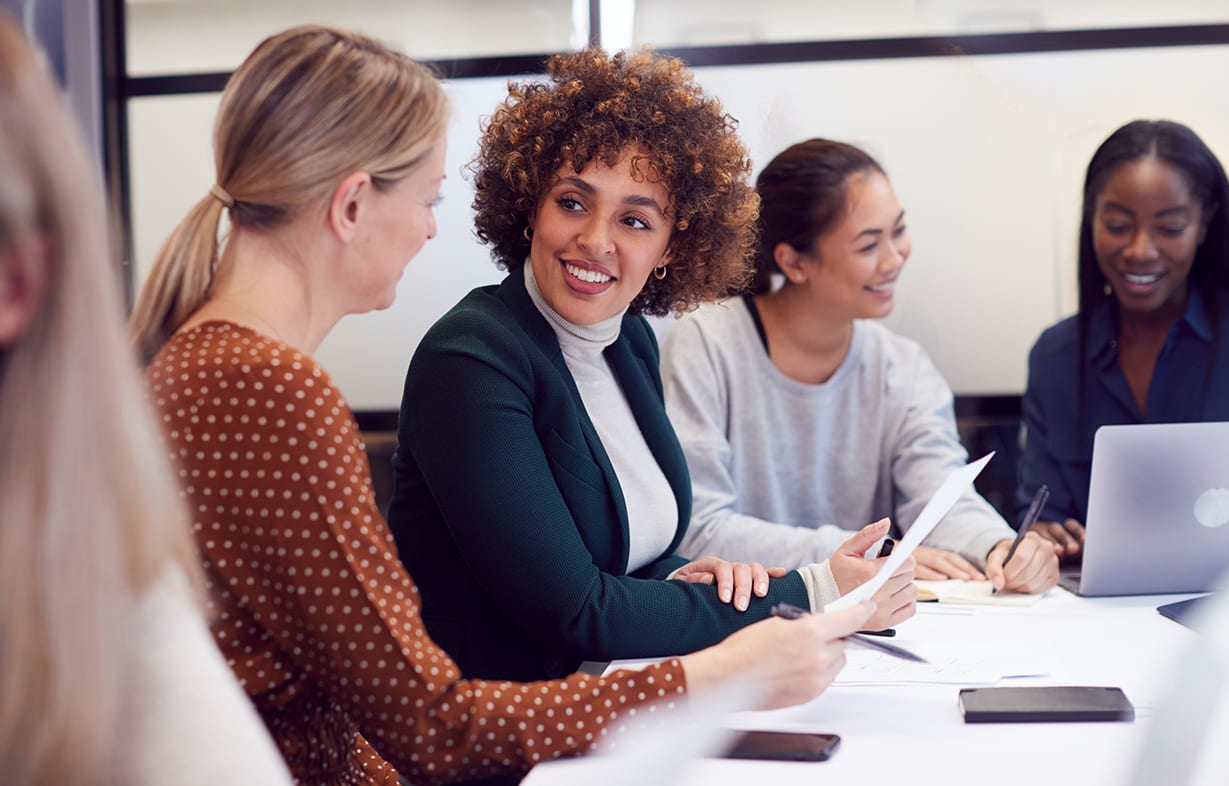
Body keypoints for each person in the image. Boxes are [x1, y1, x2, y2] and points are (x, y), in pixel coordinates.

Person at [129, 27, 872, 786]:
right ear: (353, 204)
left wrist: (687, 597)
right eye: (428, 198)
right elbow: (434, 724)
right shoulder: (269, 392)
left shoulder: (223, 370)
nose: (428, 228)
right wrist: (712, 674)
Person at [387, 52, 915, 695]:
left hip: (619, 696)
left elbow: (628, 552)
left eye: (635, 219)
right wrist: (809, 589)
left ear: (671, 247)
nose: (596, 240)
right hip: (503, 736)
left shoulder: (628, 339)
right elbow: (576, 609)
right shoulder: (472, 361)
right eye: (572, 202)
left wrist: (698, 577)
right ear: (530, 206)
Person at [0, 16, 291, 786]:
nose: (432, 230)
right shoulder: (257, 376)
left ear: (13, 287)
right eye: (428, 197)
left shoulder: (103, 605)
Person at [660, 138, 1060, 594]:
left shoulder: (903, 367)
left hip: (871, 622)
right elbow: (701, 526)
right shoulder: (706, 343)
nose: (894, 259)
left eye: (899, 231)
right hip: (746, 616)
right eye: (869, 244)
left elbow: (939, 496)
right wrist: (867, 554)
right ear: (793, 261)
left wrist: (1001, 547)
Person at [1018, 120, 1229, 561]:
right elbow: (1036, 511)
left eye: (1169, 228)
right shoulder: (1056, 358)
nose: (1140, 250)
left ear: (1204, 226)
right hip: (1086, 618)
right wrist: (1042, 539)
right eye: (1117, 224)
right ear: (1091, 220)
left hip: (1222, 612)